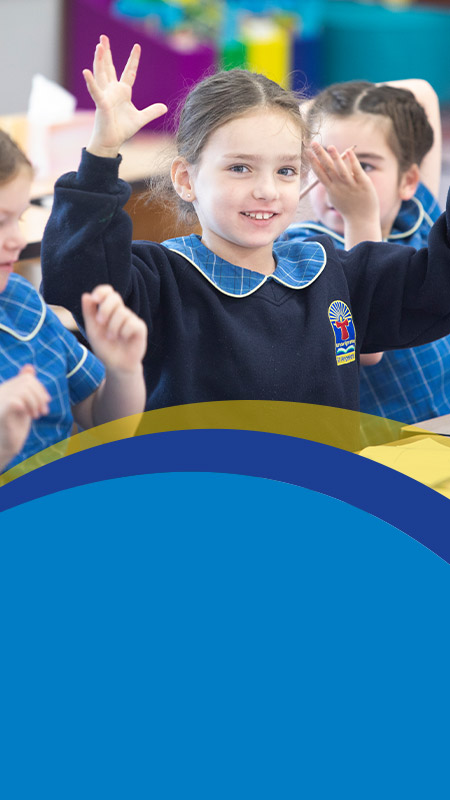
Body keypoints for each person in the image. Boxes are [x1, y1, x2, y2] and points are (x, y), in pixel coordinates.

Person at [41, 36, 450, 422]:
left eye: (286, 170)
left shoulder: (331, 269)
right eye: (240, 168)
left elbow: (437, 285)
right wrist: (101, 152)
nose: (267, 190)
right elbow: (75, 275)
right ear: (186, 179)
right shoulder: (158, 278)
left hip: (324, 494)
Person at [281, 79, 449, 425]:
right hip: (391, 449)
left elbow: (421, 92)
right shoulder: (302, 252)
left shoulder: (418, 215)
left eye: (365, 165)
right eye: (326, 163)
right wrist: (360, 216)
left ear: (408, 180)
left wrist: (315, 114)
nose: (342, 178)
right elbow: (369, 347)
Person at [0, 129, 148, 473]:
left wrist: (123, 370)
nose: (18, 239)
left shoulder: (21, 303)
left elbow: (104, 421)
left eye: (18, 219)